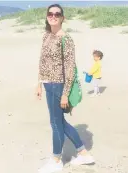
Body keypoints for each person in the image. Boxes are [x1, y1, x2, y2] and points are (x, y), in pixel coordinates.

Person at [36, 4, 94, 173]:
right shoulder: (46, 35)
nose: (53, 16)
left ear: (62, 18)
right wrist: (38, 83)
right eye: (50, 13)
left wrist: (65, 95)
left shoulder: (66, 39)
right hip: (47, 83)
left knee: (55, 123)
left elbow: (69, 69)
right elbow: (42, 62)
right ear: (47, 16)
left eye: (57, 14)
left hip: (58, 85)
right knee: (59, 121)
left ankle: (56, 160)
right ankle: (83, 153)